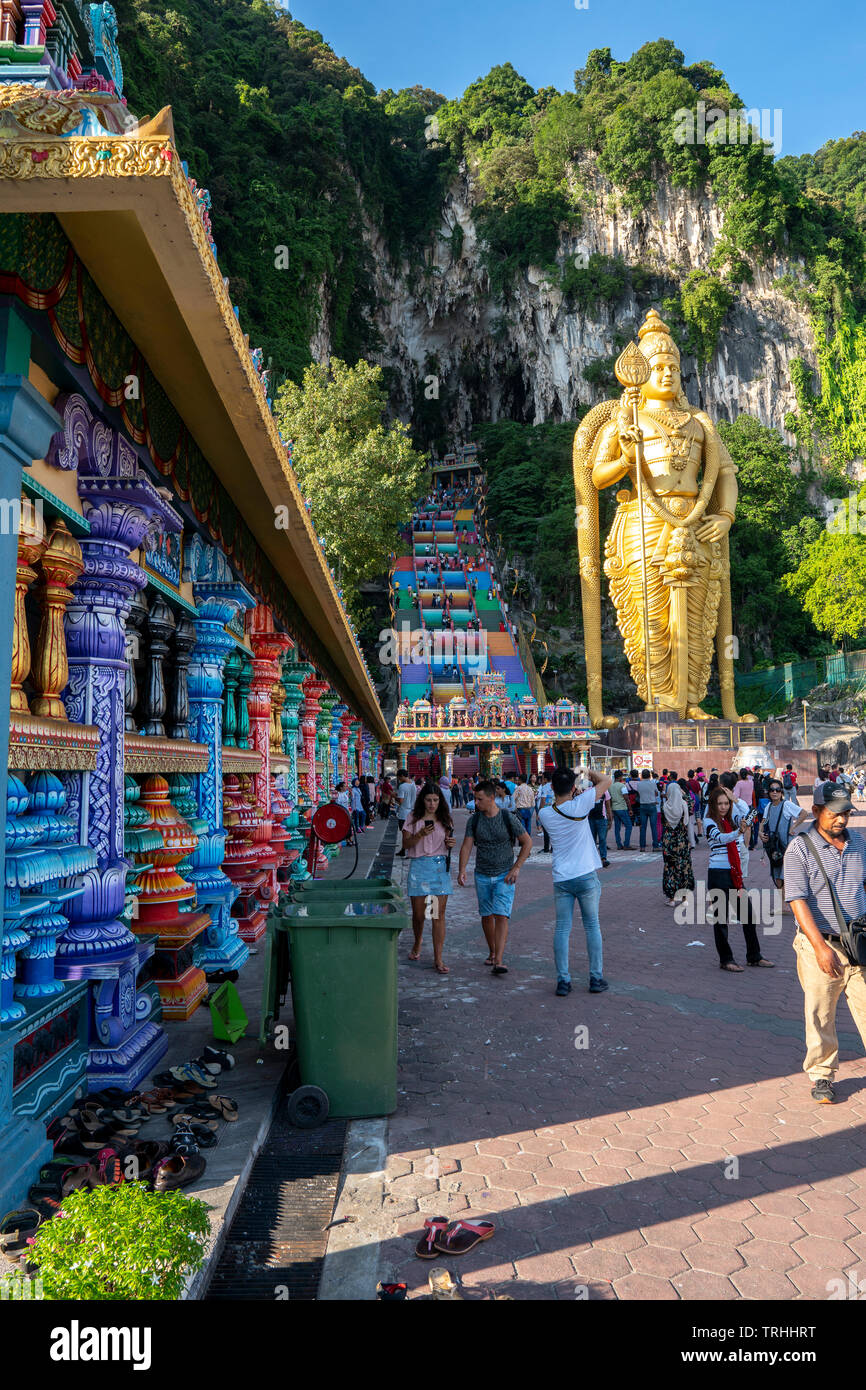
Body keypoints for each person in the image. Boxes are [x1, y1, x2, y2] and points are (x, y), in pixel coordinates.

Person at [784, 780, 866, 1104]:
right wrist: (819, 947)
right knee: (820, 1014)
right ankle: (821, 1075)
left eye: (845, 813)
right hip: (821, 944)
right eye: (834, 813)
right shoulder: (800, 848)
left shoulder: (859, 843)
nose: (841, 820)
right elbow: (797, 900)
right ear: (816, 811)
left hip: (858, 943)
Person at [538, 767, 612, 996]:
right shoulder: (581, 804)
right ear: (572, 787)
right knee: (592, 926)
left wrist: (572, 794)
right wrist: (587, 772)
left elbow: (552, 807)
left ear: (551, 788)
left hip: (562, 877)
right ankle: (595, 978)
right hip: (586, 874)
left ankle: (563, 980)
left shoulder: (545, 814)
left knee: (562, 929)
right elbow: (606, 780)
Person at [457, 779, 532, 975]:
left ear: (492, 798)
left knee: (501, 915)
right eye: (475, 799)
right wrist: (462, 869)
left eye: (479, 799)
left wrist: (516, 868)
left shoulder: (507, 818)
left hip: (504, 875)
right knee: (486, 915)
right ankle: (491, 951)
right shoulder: (474, 820)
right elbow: (466, 845)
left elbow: (527, 843)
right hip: (482, 874)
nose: (476, 802)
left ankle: (499, 959)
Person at [704, 784, 773, 972]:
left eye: (726, 803)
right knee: (721, 920)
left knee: (748, 916)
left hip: (734, 874)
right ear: (713, 804)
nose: (724, 807)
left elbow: (750, 814)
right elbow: (721, 838)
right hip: (718, 874)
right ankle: (726, 959)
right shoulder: (709, 821)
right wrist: (739, 832)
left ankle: (754, 956)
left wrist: (735, 799)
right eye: (720, 804)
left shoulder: (732, 818)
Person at [403, 782, 456, 975]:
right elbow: (406, 844)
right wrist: (419, 835)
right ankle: (417, 942)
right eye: (428, 800)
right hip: (419, 868)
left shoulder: (444, 819)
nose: (432, 804)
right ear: (422, 800)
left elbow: (448, 842)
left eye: (435, 800)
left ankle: (438, 957)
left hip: (438, 869)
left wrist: (450, 843)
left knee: (436, 915)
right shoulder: (413, 818)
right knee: (418, 915)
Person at [759, 777, 809, 901]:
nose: (774, 792)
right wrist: (760, 832)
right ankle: (784, 904)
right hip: (774, 847)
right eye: (772, 790)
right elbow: (763, 821)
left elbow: (804, 813)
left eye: (777, 790)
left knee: (785, 875)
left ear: (781, 792)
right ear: (768, 792)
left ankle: (790, 903)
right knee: (777, 875)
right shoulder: (769, 806)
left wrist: (794, 826)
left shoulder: (786, 804)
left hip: (787, 846)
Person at [662, 781, 695, 906]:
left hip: (668, 841)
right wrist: (684, 794)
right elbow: (691, 805)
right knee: (684, 867)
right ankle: (684, 898)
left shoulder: (664, 806)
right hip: (682, 841)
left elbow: (663, 823)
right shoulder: (684, 805)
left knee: (670, 868)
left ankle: (671, 899)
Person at [587, 781, 611, 867]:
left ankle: (603, 858)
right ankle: (593, 859)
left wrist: (610, 819)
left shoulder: (605, 791)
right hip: (590, 819)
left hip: (601, 818)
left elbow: (608, 805)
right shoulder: (588, 791)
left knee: (602, 839)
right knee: (593, 840)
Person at [636, 769, 660, 851]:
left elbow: (638, 793)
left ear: (642, 775)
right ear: (650, 775)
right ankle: (655, 846)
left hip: (643, 805)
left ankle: (642, 847)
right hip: (652, 805)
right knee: (654, 827)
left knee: (643, 827)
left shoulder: (639, 784)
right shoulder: (653, 783)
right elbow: (656, 793)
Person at [395, 769, 417, 856]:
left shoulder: (402, 786)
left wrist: (394, 796)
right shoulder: (413, 784)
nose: (399, 779)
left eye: (399, 777)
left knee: (404, 833)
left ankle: (405, 850)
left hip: (404, 812)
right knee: (411, 833)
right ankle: (406, 850)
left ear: (402, 776)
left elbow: (400, 801)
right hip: (412, 811)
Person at [609, 770, 633, 850]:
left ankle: (619, 844)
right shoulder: (622, 786)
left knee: (617, 827)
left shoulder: (610, 786)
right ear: (620, 777)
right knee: (629, 826)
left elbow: (610, 799)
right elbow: (627, 799)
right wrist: (630, 809)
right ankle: (626, 844)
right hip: (622, 808)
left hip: (614, 809)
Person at [536, 772, 554, 852]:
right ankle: (553, 848)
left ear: (546, 779)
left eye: (543, 778)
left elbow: (543, 800)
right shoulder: (555, 785)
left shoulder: (545, 787)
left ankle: (546, 848)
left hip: (546, 810)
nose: (542, 780)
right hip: (554, 809)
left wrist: (539, 812)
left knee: (546, 830)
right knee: (554, 830)